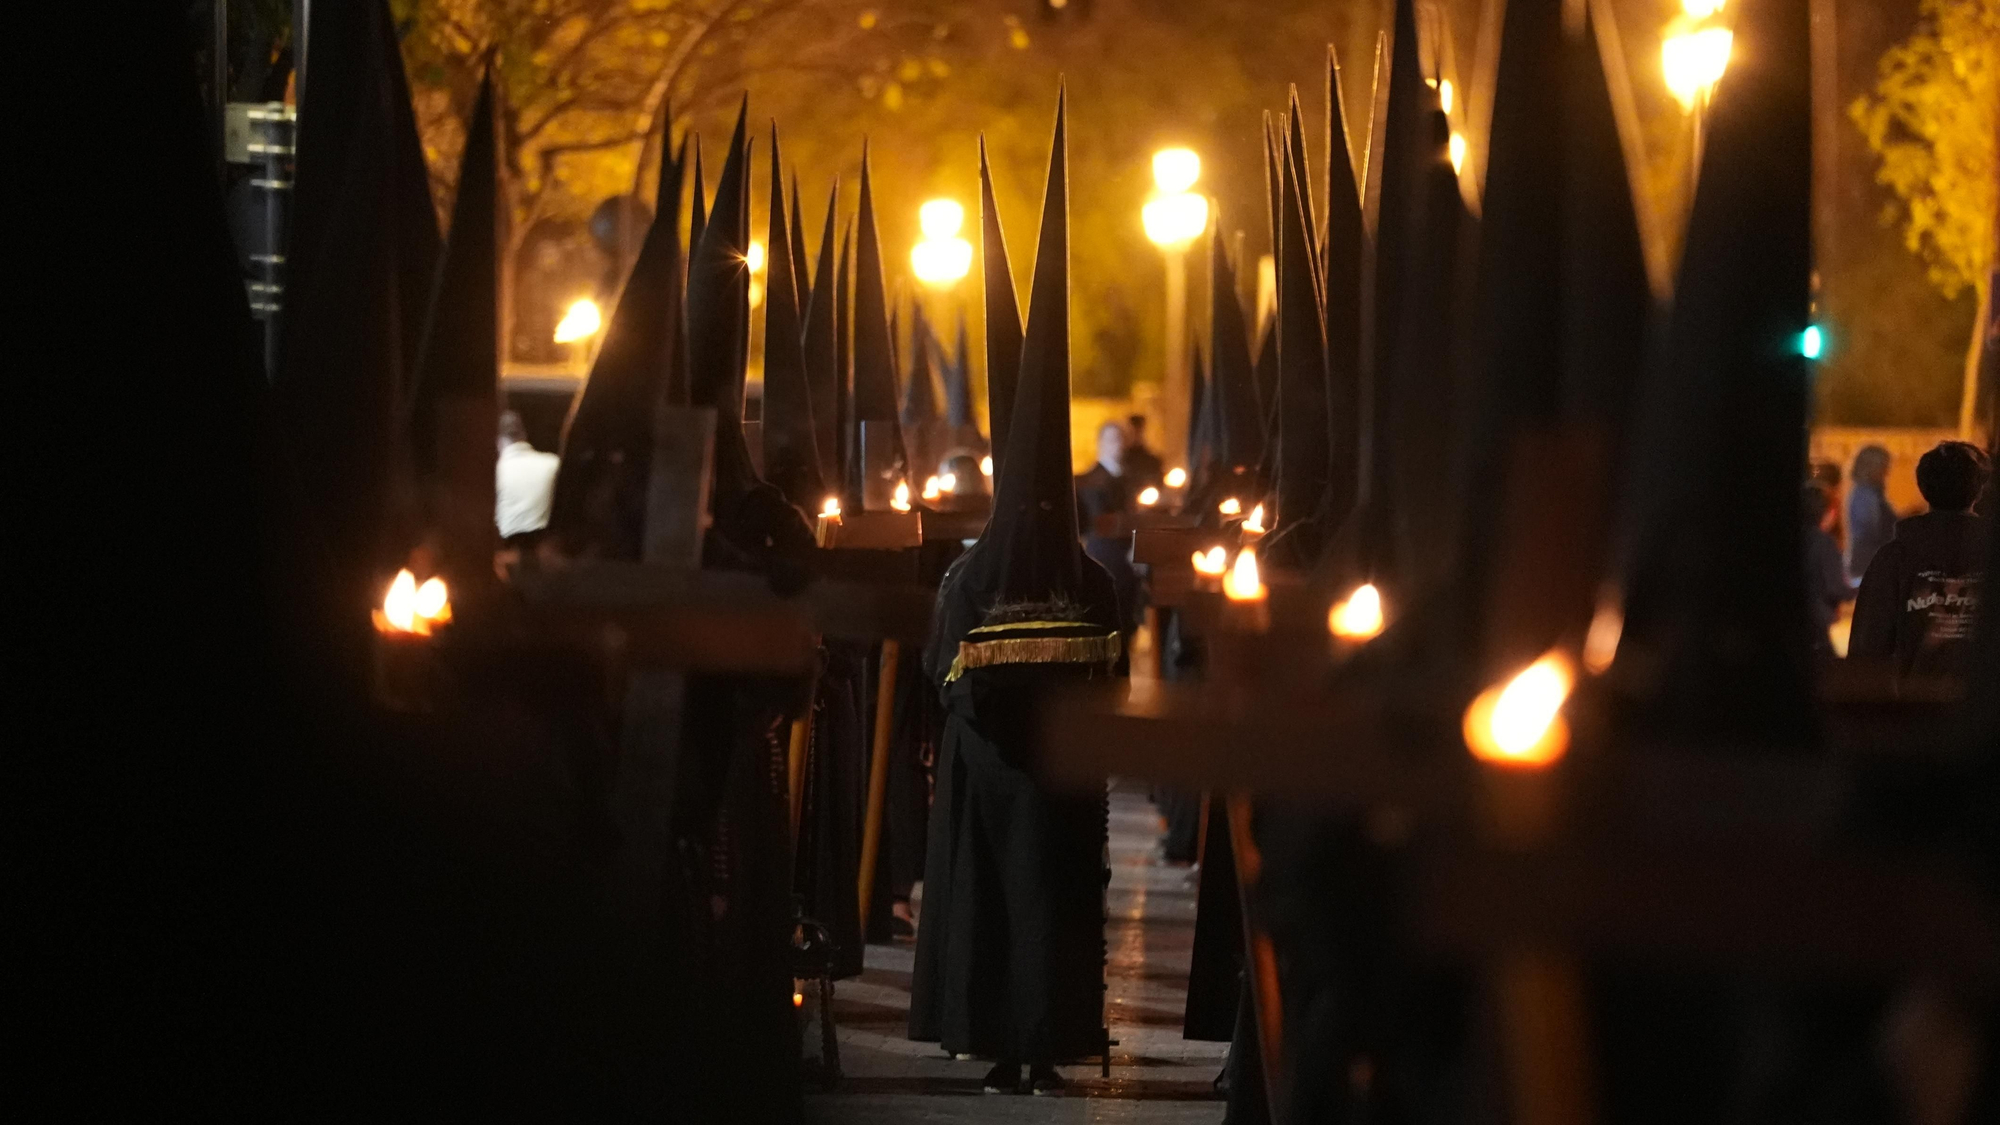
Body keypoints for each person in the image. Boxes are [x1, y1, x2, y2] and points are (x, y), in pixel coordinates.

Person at [910, 102, 1117, 1097]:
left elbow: (936, 672)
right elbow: (1115, 656)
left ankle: (998, 1041)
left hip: (989, 777)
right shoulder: (1089, 573)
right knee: (1057, 904)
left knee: (995, 905)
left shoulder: (968, 574)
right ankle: (1051, 1036)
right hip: (1064, 779)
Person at [1849, 440, 1990, 682]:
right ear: (1978, 491)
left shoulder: (1894, 559)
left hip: (1916, 710)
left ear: (1922, 486)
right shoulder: (1990, 556)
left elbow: (1866, 651)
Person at [1075, 419, 1143, 636]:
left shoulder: (1131, 479)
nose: (1118, 445)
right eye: (1112, 439)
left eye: (1121, 439)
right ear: (1100, 443)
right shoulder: (1087, 481)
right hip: (1104, 557)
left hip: (1130, 559)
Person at [1801, 482, 1851, 659]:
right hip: (1818, 621)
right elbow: (1836, 588)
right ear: (1830, 513)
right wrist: (1861, 587)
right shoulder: (1824, 542)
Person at [495, 411, 559, 540]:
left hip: (507, 550)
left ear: (498, 441)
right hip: (545, 550)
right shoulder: (553, 463)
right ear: (524, 435)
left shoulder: (495, 471)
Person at [1845, 444, 1898, 584]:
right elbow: (1872, 532)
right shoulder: (1865, 495)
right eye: (1884, 466)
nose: (1887, 472)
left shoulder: (1872, 494)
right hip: (1868, 566)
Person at [1122, 412, 1165, 491]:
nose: (1135, 435)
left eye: (1138, 431)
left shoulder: (1152, 461)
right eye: (1132, 431)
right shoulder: (1121, 459)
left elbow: (1158, 484)